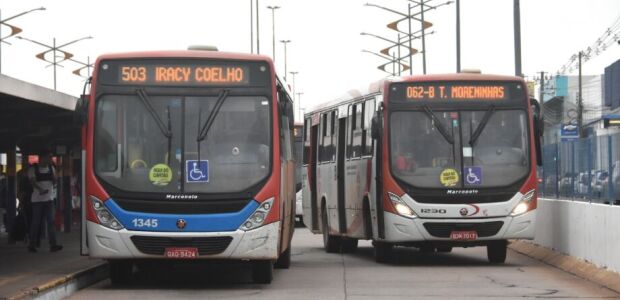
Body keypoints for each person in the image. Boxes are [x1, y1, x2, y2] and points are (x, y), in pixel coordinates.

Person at [27, 151, 62, 252]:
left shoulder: (52, 168)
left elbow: (55, 182)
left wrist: (56, 178)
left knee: (51, 222)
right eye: (48, 158)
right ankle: (32, 244)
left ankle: (53, 245)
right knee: (36, 222)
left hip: (49, 199)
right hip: (37, 200)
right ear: (41, 158)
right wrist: (40, 190)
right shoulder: (33, 169)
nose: (50, 160)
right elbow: (33, 182)